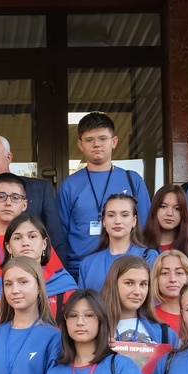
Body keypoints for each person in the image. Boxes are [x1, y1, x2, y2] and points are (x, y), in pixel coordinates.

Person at [56, 112, 152, 278]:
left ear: (114, 141)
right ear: (80, 144)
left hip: (127, 269)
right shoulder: (69, 185)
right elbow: (60, 235)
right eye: (89, 140)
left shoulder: (132, 180)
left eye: (102, 138)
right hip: (79, 270)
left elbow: (145, 228)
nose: (96, 144)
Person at [0, 172, 66, 285]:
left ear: (24, 205)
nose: (8, 203)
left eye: (15, 197)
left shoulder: (36, 241)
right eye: (1, 196)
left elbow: (62, 285)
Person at [0, 213, 78, 328]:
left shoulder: (64, 286)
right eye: (17, 238)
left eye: (32, 236)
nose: (26, 243)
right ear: (8, 247)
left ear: (44, 244)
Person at [78, 192, 150, 291]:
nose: (117, 221)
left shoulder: (149, 257)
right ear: (104, 221)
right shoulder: (88, 263)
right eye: (111, 215)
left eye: (124, 215)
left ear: (134, 221)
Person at [100, 255, 177, 346]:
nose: (137, 291)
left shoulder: (166, 334)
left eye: (143, 284)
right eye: (129, 283)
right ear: (113, 284)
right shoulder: (94, 329)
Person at [143, 184, 188, 272]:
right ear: (154, 209)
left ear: (183, 213)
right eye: (163, 206)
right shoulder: (138, 247)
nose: (170, 213)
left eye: (177, 208)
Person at [150, 249, 188, 336]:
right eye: (165, 273)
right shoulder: (148, 317)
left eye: (179, 273)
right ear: (156, 279)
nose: (172, 279)